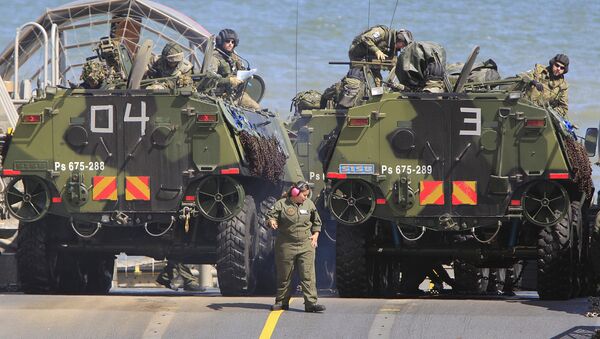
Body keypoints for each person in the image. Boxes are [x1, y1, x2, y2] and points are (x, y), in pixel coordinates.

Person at [267, 181, 325, 313]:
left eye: (307, 195)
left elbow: (316, 222)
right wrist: (272, 221)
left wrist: (315, 235)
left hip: (306, 244)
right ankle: (281, 302)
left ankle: (311, 304)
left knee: (308, 274)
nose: (306, 197)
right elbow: (270, 216)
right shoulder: (281, 204)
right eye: (304, 195)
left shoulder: (309, 204)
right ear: (295, 193)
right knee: (284, 275)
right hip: (286, 245)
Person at [209, 28, 260, 110]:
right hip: (221, 96)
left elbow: (240, 70)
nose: (230, 44)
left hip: (236, 94)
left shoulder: (233, 56)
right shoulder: (214, 58)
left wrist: (247, 75)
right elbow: (210, 79)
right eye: (227, 41)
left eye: (233, 42)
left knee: (256, 108)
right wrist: (229, 80)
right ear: (221, 42)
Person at [348, 25, 413, 86]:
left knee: (378, 81)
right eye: (403, 44)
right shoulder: (381, 32)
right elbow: (365, 37)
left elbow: (393, 64)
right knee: (358, 78)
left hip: (373, 59)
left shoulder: (394, 46)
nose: (402, 47)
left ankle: (376, 95)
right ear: (399, 39)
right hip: (358, 55)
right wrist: (377, 51)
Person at [521, 53, 570, 118]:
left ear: (564, 70)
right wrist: (533, 81)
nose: (558, 69)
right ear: (553, 63)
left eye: (562, 68)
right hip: (526, 106)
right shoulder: (539, 71)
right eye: (557, 65)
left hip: (543, 114)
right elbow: (522, 75)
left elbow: (563, 108)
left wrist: (550, 112)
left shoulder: (563, 86)